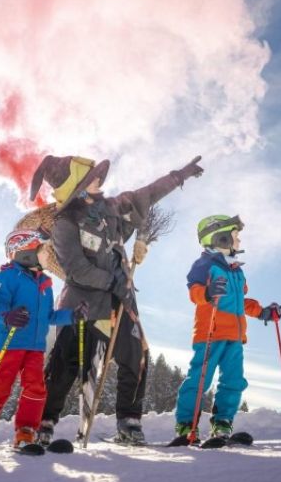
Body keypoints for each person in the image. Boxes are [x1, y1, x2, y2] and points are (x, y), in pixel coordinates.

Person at [29, 154, 204, 445]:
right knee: (68, 363)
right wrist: (112, 281)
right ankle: (44, 422)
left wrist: (178, 176)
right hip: (82, 304)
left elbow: (147, 194)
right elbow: (76, 269)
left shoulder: (112, 208)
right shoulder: (64, 223)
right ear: (79, 187)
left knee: (137, 356)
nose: (99, 178)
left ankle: (128, 422)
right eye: (91, 177)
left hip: (120, 302)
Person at [0, 229, 88, 454]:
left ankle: (26, 431)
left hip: (35, 348)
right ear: (26, 253)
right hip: (11, 343)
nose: (47, 256)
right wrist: (8, 316)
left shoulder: (45, 284)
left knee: (36, 388)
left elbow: (50, 316)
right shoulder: (7, 277)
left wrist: (72, 315)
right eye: (42, 251)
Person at [173, 215, 281, 443]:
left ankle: (222, 424)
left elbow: (240, 302)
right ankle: (186, 426)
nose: (239, 241)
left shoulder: (236, 270)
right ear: (221, 238)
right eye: (235, 236)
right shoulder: (204, 265)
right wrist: (207, 291)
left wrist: (263, 312)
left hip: (235, 337)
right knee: (200, 379)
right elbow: (194, 293)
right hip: (210, 334)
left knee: (234, 381)